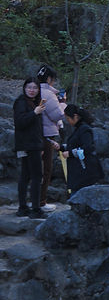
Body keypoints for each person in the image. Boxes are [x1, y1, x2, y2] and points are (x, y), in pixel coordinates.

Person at [13, 78, 47, 219]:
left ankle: (23, 208)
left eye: (35, 88)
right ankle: (35, 209)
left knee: (26, 176)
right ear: (24, 88)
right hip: (28, 145)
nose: (32, 90)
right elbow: (19, 122)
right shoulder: (21, 102)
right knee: (36, 176)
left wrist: (42, 145)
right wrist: (35, 112)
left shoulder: (34, 103)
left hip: (31, 144)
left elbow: (37, 127)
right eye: (29, 87)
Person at [36, 65, 66, 211]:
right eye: (53, 79)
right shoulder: (48, 94)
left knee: (35, 169)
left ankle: (34, 200)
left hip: (36, 134)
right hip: (46, 135)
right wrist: (63, 104)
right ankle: (41, 202)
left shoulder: (35, 90)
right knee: (46, 169)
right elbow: (57, 115)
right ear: (49, 79)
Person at [61, 105, 103, 196]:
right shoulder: (79, 129)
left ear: (75, 116)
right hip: (79, 171)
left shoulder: (84, 129)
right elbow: (75, 144)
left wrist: (70, 153)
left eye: (68, 118)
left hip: (84, 171)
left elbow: (88, 147)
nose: (67, 121)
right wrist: (61, 147)